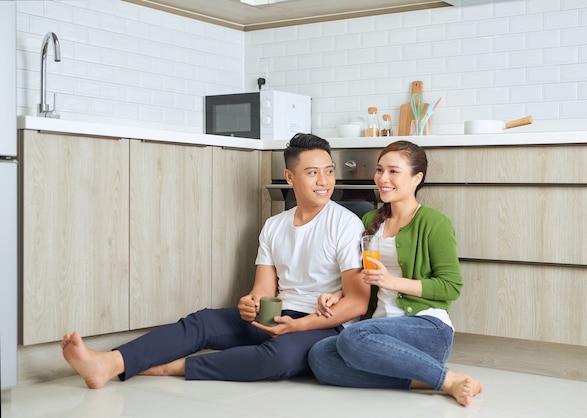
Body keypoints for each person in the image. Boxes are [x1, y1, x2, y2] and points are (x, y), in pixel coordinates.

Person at [61, 133, 370, 389]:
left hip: (323, 326)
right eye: (312, 172)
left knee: (276, 358)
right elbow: (262, 289)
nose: (324, 181)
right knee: (203, 321)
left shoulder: (345, 224)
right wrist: (252, 302)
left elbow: (356, 303)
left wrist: (299, 325)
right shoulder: (275, 225)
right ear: (290, 177)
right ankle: (109, 363)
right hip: (278, 316)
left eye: (329, 170)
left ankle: (175, 367)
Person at [307, 140, 483, 407]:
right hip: (380, 330)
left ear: (417, 178)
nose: (382, 178)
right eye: (379, 170)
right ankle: (420, 379)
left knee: (353, 337)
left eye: (393, 171)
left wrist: (394, 282)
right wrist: (338, 294)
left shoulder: (434, 223)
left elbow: (450, 286)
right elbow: (367, 277)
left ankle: (447, 380)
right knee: (320, 357)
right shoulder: (370, 221)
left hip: (427, 327)